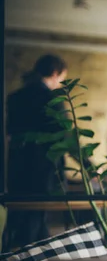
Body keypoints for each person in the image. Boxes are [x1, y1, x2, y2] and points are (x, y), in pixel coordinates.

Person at [6, 54, 68, 247]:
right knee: (36, 220)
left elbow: (10, 132)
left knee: (18, 220)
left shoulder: (15, 98)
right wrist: (89, 168)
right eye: (62, 80)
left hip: (16, 168)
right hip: (43, 172)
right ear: (56, 74)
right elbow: (67, 139)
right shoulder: (52, 99)